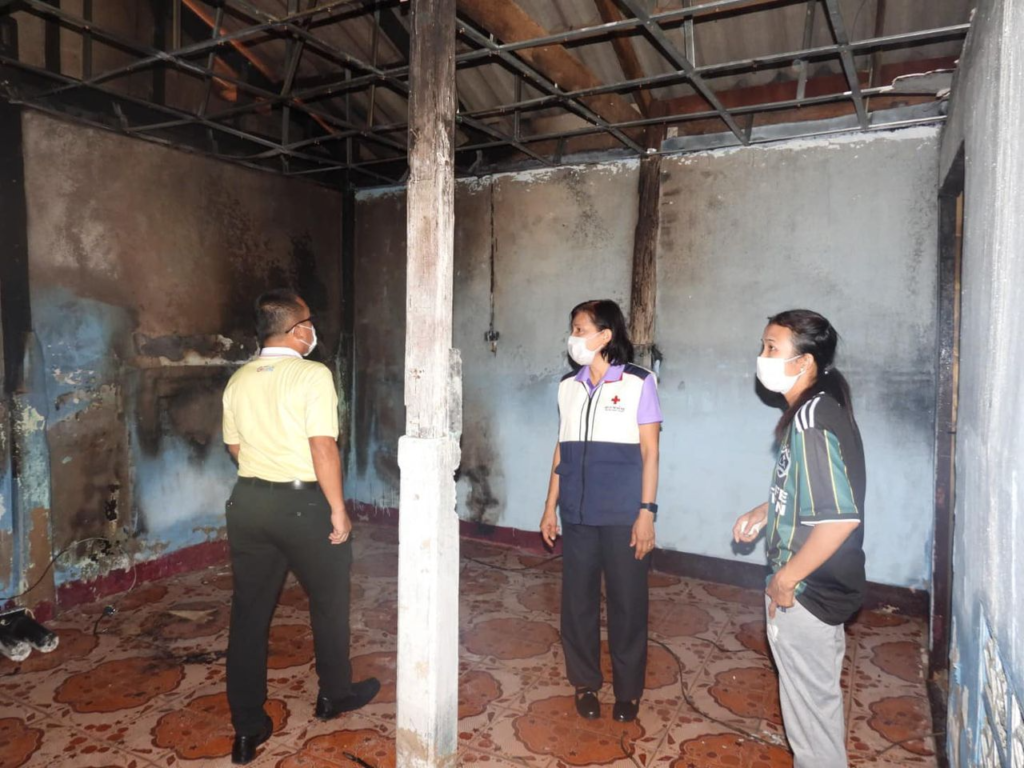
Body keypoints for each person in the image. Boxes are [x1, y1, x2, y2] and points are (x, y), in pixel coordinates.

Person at [222, 289, 379, 765]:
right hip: (303, 504)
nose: (313, 330)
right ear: (295, 330)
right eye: (309, 323)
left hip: (249, 503)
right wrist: (337, 508)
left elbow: (234, 448)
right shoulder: (313, 374)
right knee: (329, 602)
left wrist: (266, 469)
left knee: (249, 616)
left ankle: (247, 728)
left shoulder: (239, 379)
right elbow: (322, 447)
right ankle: (334, 694)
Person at [733, 309, 866, 768]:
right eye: (763, 346)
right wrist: (767, 509)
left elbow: (838, 521)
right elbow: (814, 491)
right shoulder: (818, 408)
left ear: (804, 361)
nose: (762, 356)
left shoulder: (810, 419)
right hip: (822, 583)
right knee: (814, 712)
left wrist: (785, 580)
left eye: (772, 348)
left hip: (809, 589)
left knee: (812, 730)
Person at [540, 299, 662, 724]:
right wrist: (550, 507)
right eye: (572, 329)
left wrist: (646, 513)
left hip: (623, 515)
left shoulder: (638, 383)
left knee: (628, 604)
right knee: (578, 604)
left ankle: (628, 692)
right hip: (576, 513)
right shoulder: (567, 386)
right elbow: (561, 449)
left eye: (580, 329)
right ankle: (585, 683)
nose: (573, 337)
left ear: (605, 335)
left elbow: (651, 453)